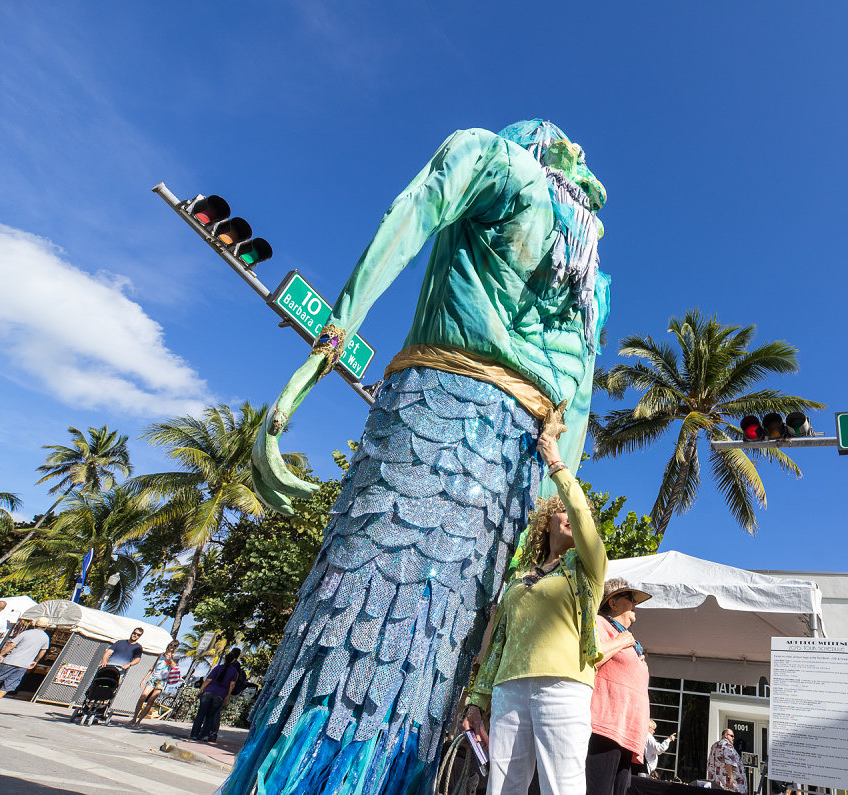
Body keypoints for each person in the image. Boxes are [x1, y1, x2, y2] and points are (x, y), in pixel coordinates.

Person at [227, 119, 610, 795]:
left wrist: (334, 333)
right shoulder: (588, 285)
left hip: (437, 413)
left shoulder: (497, 159)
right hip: (512, 469)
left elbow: (413, 211)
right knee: (420, 641)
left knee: (363, 615)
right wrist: (554, 494)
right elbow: (573, 409)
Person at [461, 413, 607, 795]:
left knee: (564, 787)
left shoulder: (588, 567)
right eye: (564, 512)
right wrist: (478, 701)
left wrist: (555, 460)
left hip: (563, 685)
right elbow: (498, 642)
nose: (574, 518)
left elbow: (582, 512)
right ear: (546, 522)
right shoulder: (518, 576)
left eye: (576, 514)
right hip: (508, 686)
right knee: (501, 789)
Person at [586, 577, 653, 795]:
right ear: (613, 603)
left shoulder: (631, 640)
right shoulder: (599, 622)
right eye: (630, 598)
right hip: (605, 728)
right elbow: (589, 659)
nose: (636, 604)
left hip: (627, 732)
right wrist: (622, 643)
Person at [0, 616, 50, 709]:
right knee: (10, 684)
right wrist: (35, 661)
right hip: (24, 665)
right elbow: (43, 651)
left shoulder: (26, 633)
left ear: (35, 624)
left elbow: (12, 644)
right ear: (46, 627)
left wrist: (1, 654)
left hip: (10, 661)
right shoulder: (45, 637)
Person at [192, 648, 244, 743]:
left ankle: (194, 734)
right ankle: (206, 735)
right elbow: (232, 684)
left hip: (208, 692)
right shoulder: (234, 672)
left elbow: (208, 680)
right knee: (211, 716)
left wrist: (200, 691)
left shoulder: (218, 667)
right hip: (220, 695)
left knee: (201, 714)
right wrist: (227, 696)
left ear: (224, 659)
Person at [127, 639, 181, 726]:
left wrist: (171, 656)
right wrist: (145, 678)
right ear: (168, 644)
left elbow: (173, 665)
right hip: (153, 678)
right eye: (171, 644)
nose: (172, 646)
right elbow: (153, 667)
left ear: (177, 647)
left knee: (151, 700)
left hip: (162, 680)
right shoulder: (161, 655)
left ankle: (139, 721)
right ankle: (134, 718)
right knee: (142, 697)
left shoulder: (176, 656)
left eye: (175, 646)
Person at [708, 728, 747, 792]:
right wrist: (731, 779)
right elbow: (728, 762)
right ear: (725, 735)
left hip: (717, 784)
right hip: (729, 786)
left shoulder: (714, 746)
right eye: (731, 736)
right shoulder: (727, 745)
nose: (733, 738)